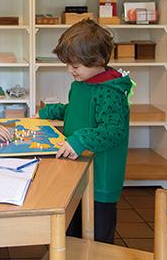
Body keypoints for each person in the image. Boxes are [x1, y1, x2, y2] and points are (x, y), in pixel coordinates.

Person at [37, 19, 132, 244]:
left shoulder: (110, 93)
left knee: (97, 240)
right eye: (68, 64)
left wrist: (79, 139)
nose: (70, 70)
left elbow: (113, 130)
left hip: (100, 179)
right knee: (72, 232)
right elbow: (77, 111)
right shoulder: (81, 84)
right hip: (78, 171)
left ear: (98, 61)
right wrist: (49, 111)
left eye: (75, 66)